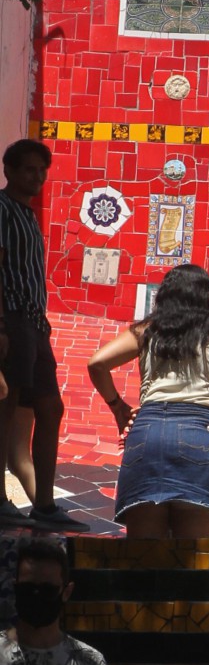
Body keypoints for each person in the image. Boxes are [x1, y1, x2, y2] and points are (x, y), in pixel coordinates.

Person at [87, 264, 209, 536]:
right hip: (199, 436)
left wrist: (118, 407)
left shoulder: (146, 332)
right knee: (193, 555)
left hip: (147, 435)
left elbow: (97, 363)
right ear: (206, 298)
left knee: (144, 556)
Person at [0, 140, 71, 529]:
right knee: (6, 409)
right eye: (29, 169)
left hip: (34, 323)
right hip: (11, 319)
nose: (37, 177)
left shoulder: (27, 214)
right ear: (9, 170)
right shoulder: (2, 209)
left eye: (42, 170)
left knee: (50, 407)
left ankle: (44, 504)